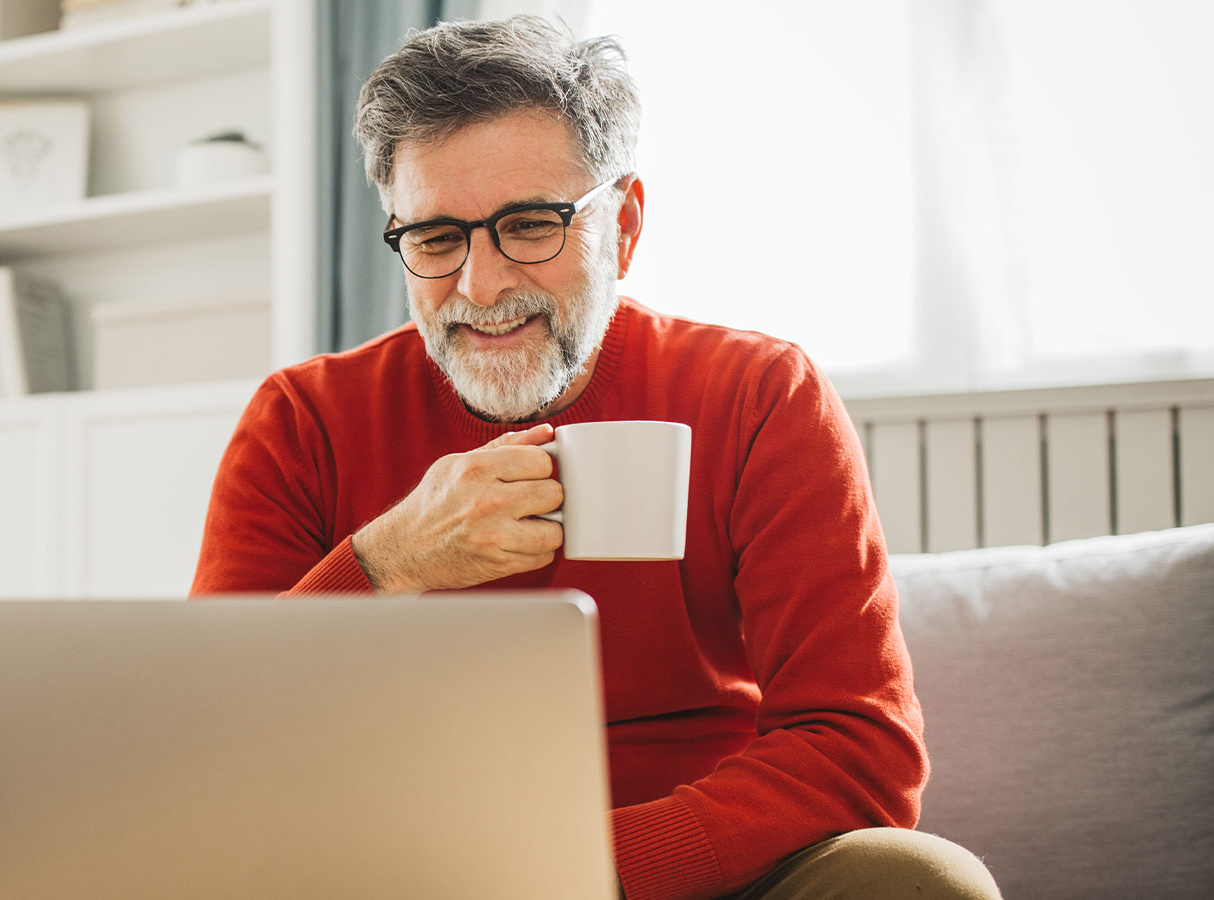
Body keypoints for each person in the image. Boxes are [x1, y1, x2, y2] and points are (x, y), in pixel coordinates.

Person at [190, 16, 1001, 900]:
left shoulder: (761, 393)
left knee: (924, 882)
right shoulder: (302, 418)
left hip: (697, 867)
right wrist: (385, 561)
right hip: (399, 872)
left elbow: (860, 745)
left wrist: (581, 871)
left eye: (530, 225)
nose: (480, 285)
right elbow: (214, 742)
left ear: (623, 226)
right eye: (434, 238)